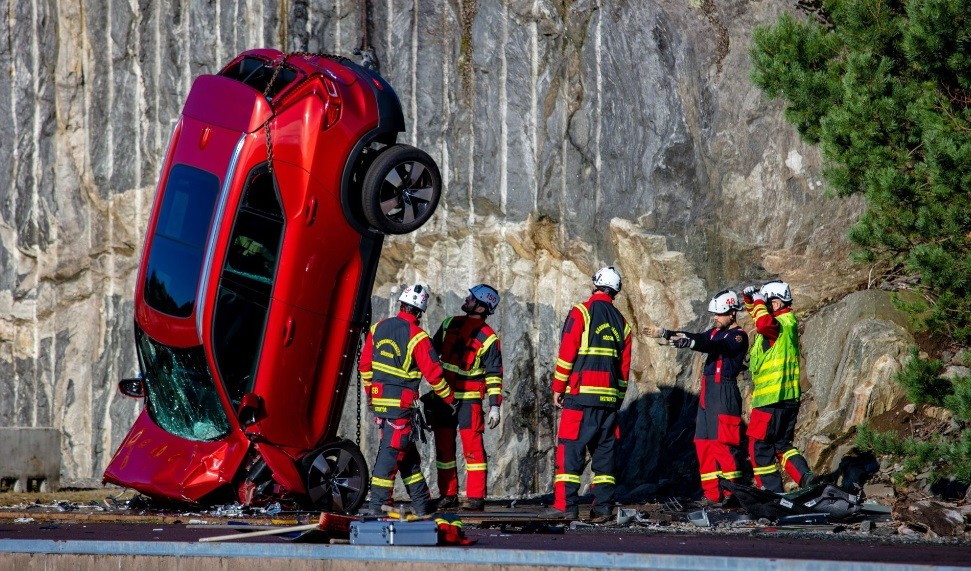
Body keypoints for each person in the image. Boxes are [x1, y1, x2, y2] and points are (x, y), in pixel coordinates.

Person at [358, 284, 457, 516]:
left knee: (407, 458)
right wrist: (450, 400)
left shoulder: (378, 327)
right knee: (389, 457)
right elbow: (434, 375)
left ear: (400, 304)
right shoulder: (418, 336)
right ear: (420, 312)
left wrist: (371, 394)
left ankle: (423, 505)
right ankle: (377, 508)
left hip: (381, 405)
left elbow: (365, 366)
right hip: (401, 408)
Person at [645, 290, 749, 505]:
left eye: (719, 314)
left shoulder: (738, 336)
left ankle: (733, 494)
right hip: (708, 393)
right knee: (702, 443)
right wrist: (666, 333)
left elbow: (716, 346)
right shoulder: (714, 332)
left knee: (722, 444)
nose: (715, 318)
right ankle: (712, 494)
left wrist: (690, 344)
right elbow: (697, 338)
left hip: (724, 392)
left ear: (732, 313)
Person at [545, 267, 632, 522]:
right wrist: (616, 400)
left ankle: (565, 506)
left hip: (580, 398)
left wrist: (558, 389)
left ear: (595, 284)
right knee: (604, 458)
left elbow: (567, 353)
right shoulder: (622, 324)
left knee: (570, 451)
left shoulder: (581, 312)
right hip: (608, 402)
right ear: (615, 291)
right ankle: (602, 508)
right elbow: (623, 370)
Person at [429, 284, 504, 511]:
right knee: (444, 449)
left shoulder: (490, 338)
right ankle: (448, 494)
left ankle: (475, 497)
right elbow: (430, 354)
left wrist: (494, 406)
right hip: (443, 397)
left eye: (471, 298)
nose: (466, 298)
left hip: (469, 401)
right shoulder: (449, 323)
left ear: (481, 307)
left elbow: (494, 375)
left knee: (473, 449)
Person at [742, 279, 814, 492]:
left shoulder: (777, 324)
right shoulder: (785, 322)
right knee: (783, 446)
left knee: (759, 448)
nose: (765, 306)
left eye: (769, 302)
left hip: (770, 400)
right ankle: (806, 479)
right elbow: (759, 316)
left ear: (779, 302)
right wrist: (750, 300)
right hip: (787, 400)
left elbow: (763, 323)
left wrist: (757, 299)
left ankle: (772, 493)